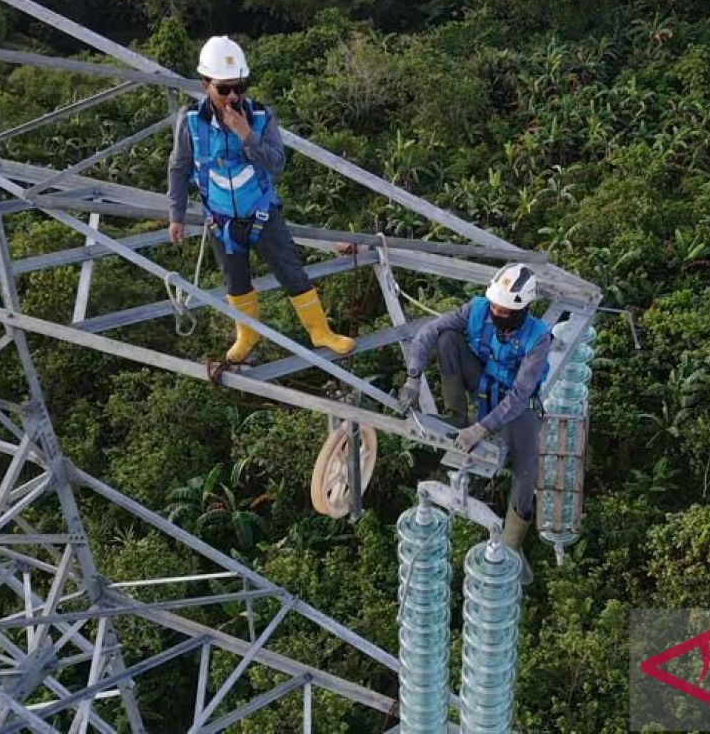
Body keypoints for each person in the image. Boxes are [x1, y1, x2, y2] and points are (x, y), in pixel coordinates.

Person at [168, 35, 354, 363]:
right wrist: (177, 215)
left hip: (262, 213)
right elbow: (179, 168)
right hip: (221, 220)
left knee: (292, 272)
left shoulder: (260, 117)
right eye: (223, 89)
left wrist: (245, 134)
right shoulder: (192, 123)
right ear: (205, 84)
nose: (233, 96)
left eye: (239, 86)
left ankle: (320, 332)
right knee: (235, 280)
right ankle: (247, 335)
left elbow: (277, 163)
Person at [397, 263, 550, 585]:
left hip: (516, 404)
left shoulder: (537, 339)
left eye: (504, 309)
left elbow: (521, 395)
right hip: (482, 381)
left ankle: (511, 545)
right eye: (494, 304)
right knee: (448, 339)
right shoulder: (477, 310)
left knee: (526, 471)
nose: (496, 311)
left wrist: (482, 429)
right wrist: (413, 377)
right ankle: (456, 414)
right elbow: (429, 331)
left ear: (522, 309)